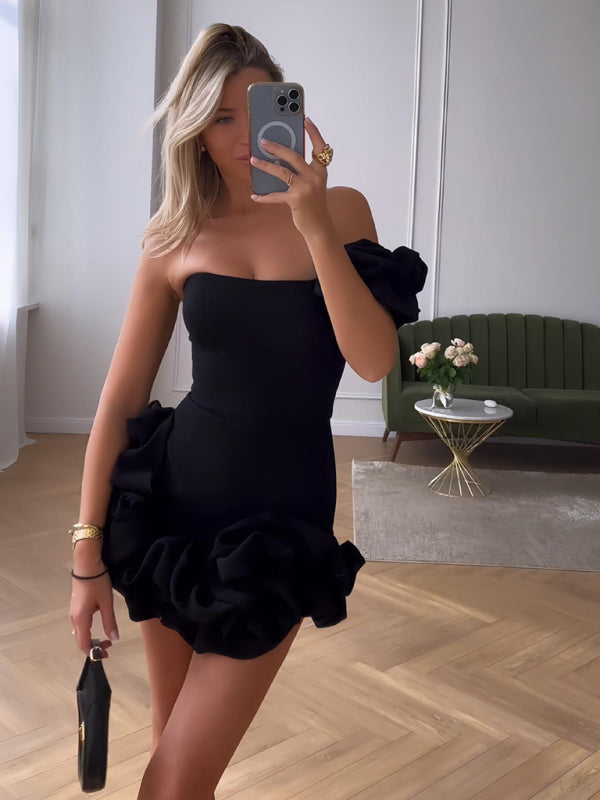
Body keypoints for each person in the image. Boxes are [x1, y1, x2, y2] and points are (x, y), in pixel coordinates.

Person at [68, 22, 428, 800]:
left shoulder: (343, 211)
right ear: (195, 130)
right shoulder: (174, 237)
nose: (240, 135)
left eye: (256, 109)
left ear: (288, 112)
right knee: (170, 746)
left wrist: (313, 224)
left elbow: (374, 359)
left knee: (173, 780)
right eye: (220, 116)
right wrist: (86, 554)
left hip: (279, 531)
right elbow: (120, 399)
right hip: (170, 513)